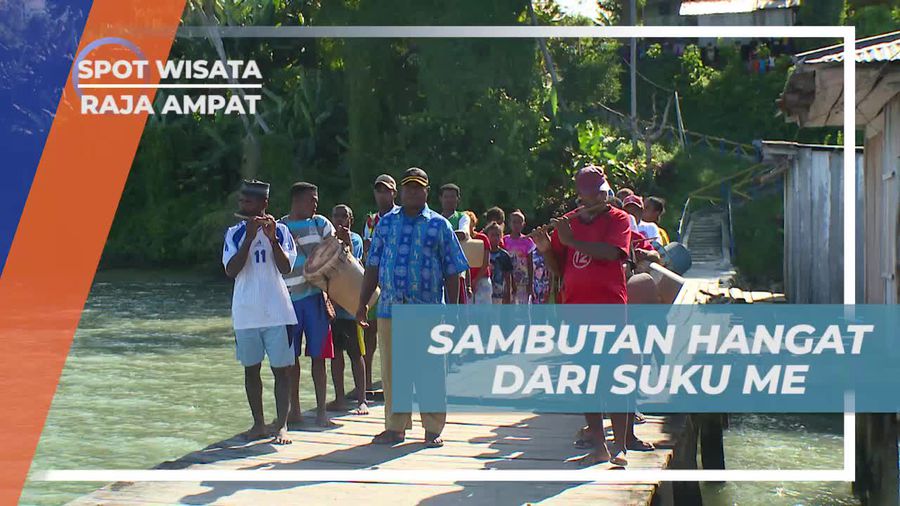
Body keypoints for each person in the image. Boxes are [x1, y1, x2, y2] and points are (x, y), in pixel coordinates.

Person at [357, 167, 470, 448]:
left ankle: (432, 428)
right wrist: (362, 303)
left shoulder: (439, 225)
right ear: (401, 191)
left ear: (427, 191)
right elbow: (372, 265)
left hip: (428, 310)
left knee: (430, 371)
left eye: (418, 187)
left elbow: (453, 270)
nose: (412, 192)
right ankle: (395, 428)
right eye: (408, 187)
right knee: (393, 372)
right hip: (390, 308)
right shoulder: (385, 223)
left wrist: (453, 311)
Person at [531, 166, 636, 466]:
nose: (599, 198)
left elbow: (613, 253)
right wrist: (546, 248)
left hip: (610, 308)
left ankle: (620, 446)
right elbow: (558, 269)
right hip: (576, 310)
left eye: (602, 192)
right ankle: (599, 445)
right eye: (592, 194)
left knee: (615, 375)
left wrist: (571, 240)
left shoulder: (619, 218)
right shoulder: (569, 223)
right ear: (581, 195)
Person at [223, 180, 297, 445]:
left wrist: (271, 238)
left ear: (264, 203)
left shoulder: (282, 231)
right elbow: (231, 270)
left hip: (278, 312)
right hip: (246, 313)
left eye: (249, 201)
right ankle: (258, 424)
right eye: (242, 200)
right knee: (251, 370)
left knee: (282, 371)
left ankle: (282, 426)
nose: (243, 204)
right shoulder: (234, 233)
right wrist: (249, 237)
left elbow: (286, 268)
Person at [280, 182, 336, 428]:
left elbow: (336, 253)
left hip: (316, 299)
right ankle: (295, 411)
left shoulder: (321, 223)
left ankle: (322, 411)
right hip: (287, 301)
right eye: (311, 200)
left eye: (316, 200)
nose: (316, 204)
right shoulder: (280, 227)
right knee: (290, 360)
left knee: (319, 358)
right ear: (297, 201)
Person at [327, 204, 369, 416]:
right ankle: (340, 398)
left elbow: (353, 265)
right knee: (335, 355)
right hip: (334, 306)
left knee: (356, 353)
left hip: (351, 307)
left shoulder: (356, 240)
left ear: (351, 220)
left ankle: (362, 399)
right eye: (337, 216)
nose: (340, 219)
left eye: (344, 216)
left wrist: (346, 242)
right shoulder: (327, 241)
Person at [361, 174, 399, 399]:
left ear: (394, 193)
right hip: (375, 281)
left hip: (396, 285)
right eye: (379, 190)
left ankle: (394, 384)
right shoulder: (370, 221)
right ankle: (366, 384)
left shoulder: (401, 216)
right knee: (370, 333)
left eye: (386, 190)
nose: (382, 194)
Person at [439, 183, 471, 303]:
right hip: (437, 272)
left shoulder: (462, 217)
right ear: (441, 199)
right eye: (446, 197)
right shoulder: (435, 219)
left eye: (452, 196)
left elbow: (463, 234)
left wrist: (440, 237)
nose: (449, 200)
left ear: (458, 199)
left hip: (457, 273)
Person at [503, 210, 535, 305]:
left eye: (519, 222)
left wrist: (530, 283)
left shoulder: (528, 241)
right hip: (508, 280)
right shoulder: (504, 240)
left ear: (523, 224)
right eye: (514, 222)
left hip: (523, 282)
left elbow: (530, 263)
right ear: (510, 223)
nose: (516, 225)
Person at [464, 210, 492, 305]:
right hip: (466, 281)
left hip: (482, 279)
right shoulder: (460, 241)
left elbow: (486, 262)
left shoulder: (482, 238)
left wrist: (475, 280)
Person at [485, 221, 514, 305]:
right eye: (492, 235)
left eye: (497, 235)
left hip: (498, 294)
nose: (495, 238)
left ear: (501, 236)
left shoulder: (504, 255)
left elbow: (508, 276)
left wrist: (508, 293)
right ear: (487, 236)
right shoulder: (483, 253)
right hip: (485, 292)